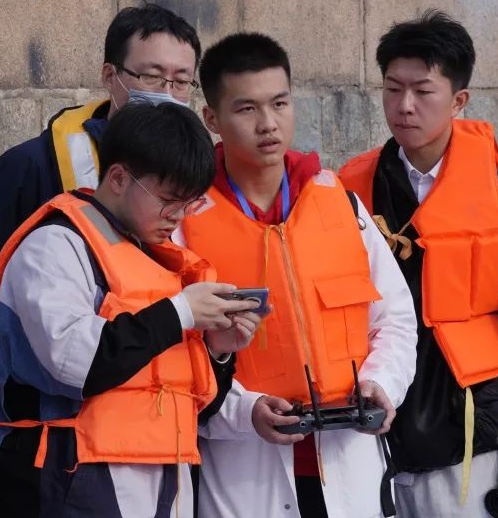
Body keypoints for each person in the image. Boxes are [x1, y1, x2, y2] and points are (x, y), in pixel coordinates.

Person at [338, 11, 498, 518]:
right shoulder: (349, 191)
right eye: (392, 89)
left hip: (469, 438)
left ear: (459, 100)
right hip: (369, 436)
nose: (404, 106)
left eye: (423, 91)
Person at [0, 101, 263, 518]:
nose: (178, 217)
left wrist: (217, 350)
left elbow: (192, 401)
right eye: (169, 200)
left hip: (160, 474)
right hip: (70, 475)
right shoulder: (55, 246)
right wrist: (179, 314)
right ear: (119, 177)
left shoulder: (160, 260)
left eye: (190, 204)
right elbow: (75, 361)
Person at [175, 33, 418, 518]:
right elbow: (175, 352)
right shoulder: (184, 221)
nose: (268, 123)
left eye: (280, 103)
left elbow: (394, 318)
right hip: (245, 470)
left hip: (351, 461)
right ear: (212, 119)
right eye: (246, 109)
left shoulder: (340, 203)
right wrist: (243, 411)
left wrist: (381, 385)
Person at [0, 2, 202, 325]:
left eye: (181, 81)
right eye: (151, 76)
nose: (167, 93)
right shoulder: (28, 167)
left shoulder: (197, 169)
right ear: (110, 76)